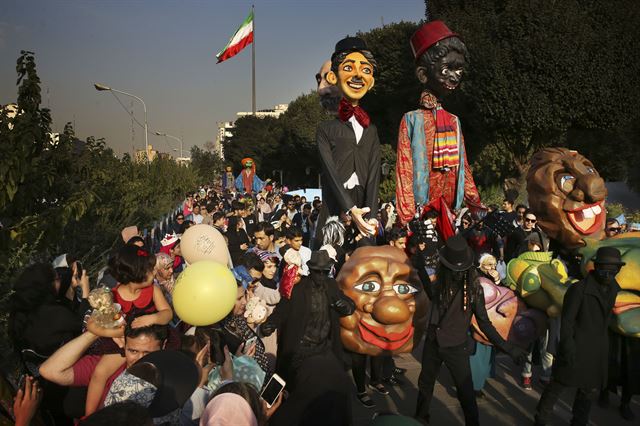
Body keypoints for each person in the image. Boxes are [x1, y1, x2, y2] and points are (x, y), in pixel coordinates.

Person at [415, 235, 526, 426]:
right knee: (425, 384)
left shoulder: (474, 290)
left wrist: (509, 347)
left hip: (456, 347)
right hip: (433, 342)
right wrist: (419, 265)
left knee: (466, 393)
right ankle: (421, 419)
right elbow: (430, 290)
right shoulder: (440, 283)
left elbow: (484, 323)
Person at [395, 21, 482, 226]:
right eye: (446, 69)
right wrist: (407, 216)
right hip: (421, 215)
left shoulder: (454, 121)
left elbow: (464, 168)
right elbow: (404, 171)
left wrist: (476, 204)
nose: (454, 76)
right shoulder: (412, 119)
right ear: (423, 74)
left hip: (451, 214)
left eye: (459, 70)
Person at [260, 251, 355, 426]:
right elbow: (282, 310)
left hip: (324, 347)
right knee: (293, 391)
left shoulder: (331, 285)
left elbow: (347, 302)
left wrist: (347, 307)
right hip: (300, 349)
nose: (320, 275)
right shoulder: (297, 287)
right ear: (310, 270)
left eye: (324, 272)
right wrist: (270, 323)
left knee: (334, 387)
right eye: (317, 271)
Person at [535, 247, 622, 426]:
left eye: (613, 270)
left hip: (597, 349)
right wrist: (567, 347)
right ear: (595, 267)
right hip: (576, 345)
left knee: (588, 390)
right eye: (604, 269)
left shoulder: (613, 288)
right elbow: (567, 322)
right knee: (558, 385)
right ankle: (541, 418)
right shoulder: (579, 289)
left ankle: (579, 420)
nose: (608, 274)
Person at [83, 246, 173, 416]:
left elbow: (167, 314)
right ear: (136, 275)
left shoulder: (152, 290)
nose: (154, 273)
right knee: (99, 374)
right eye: (150, 270)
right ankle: (89, 416)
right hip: (123, 344)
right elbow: (92, 325)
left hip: (151, 342)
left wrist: (152, 318)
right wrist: (116, 334)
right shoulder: (112, 296)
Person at [316, 36, 381, 242]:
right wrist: (350, 209)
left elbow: (374, 176)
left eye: (366, 70)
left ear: (371, 82)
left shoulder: (371, 130)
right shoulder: (325, 129)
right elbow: (331, 173)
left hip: (364, 211)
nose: (357, 76)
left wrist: (370, 217)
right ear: (334, 77)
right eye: (348, 68)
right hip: (334, 210)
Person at [39, 324, 168, 415]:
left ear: (164, 346)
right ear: (123, 345)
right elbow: (49, 371)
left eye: (148, 353)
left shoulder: (171, 380)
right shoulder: (108, 366)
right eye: (133, 351)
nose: (140, 359)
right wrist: (95, 332)